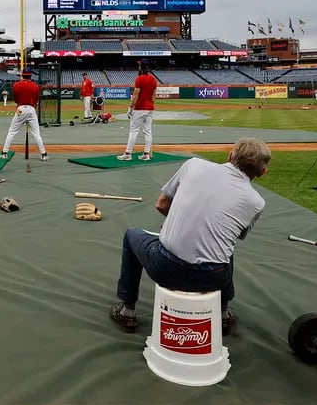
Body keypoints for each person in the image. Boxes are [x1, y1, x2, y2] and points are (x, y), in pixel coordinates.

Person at [110, 137, 271, 335]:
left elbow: (161, 204)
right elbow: (235, 234)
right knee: (226, 247)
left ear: (230, 155)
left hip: (166, 268)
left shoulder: (194, 165)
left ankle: (128, 311)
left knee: (131, 235)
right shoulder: (257, 202)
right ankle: (223, 314)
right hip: (213, 278)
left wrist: (180, 221)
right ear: (262, 172)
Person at [0, 68, 48, 161]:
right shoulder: (35, 86)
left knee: (12, 131)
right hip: (31, 109)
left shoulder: (16, 85)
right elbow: (36, 101)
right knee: (36, 133)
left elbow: (15, 100)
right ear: (30, 75)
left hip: (20, 109)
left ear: (22, 75)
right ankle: (43, 154)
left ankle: (4, 153)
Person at [117, 60, 157, 161]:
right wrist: (151, 106)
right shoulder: (153, 79)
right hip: (150, 108)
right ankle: (146, 154)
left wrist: (130, 107)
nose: (138, 67)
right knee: (148, 131)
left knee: (134, 131)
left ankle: (128, 153)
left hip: (140, 108)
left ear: (142, 67)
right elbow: (153, 96)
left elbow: (135, 95)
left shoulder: (139, 79)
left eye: (139, 65)